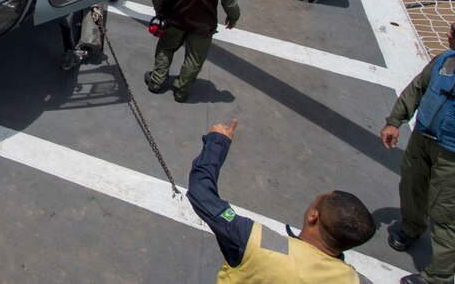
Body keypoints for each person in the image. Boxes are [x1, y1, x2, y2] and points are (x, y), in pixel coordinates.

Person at [190, 119, 377, 282]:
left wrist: (218, 142)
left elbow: (202, 194)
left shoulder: (254, 241)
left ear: (313, 217)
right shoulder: (354, 280)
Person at [379, 20, 455, 284]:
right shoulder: (445, 59)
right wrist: (395, 120)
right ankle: (411, 227)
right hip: (423, 138)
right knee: (411, 184)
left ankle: (439, 277)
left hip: (452, 154)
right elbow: (418, 88)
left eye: (454, 33)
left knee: (446, 214)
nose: (448, 34)